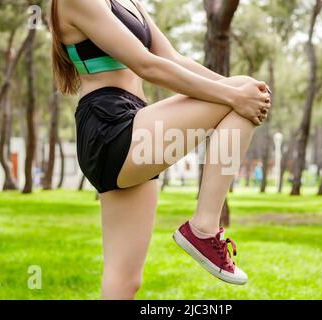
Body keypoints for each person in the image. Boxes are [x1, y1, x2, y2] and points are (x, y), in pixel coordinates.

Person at [50, 0, 271, 299]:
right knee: (241, 91)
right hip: (109, 128)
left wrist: (242, 93)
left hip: (135, 126)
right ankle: (203, 228)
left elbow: (171, 58)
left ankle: (203, 228)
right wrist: (235, 93)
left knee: (125, 280)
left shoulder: (130, 2)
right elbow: (146, 64)